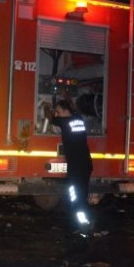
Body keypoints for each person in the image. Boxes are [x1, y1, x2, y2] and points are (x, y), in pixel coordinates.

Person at [50, 98, 94, 239]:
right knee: (81, 195)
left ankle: (84, 226)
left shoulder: (64, 122)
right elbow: (72, 109)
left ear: (63, 111)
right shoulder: (77, 119)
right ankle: (82, 225)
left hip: (76, 167)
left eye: (58, 111)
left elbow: (51, 119)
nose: (57, 114)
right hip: (85, 165)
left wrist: (47, 108)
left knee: (76, 198)